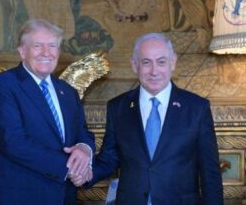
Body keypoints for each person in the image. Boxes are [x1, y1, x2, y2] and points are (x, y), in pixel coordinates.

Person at [73, 33, 224, 204]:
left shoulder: (197, 108)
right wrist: (87, 173)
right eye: (146, 62)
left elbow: (210, 173)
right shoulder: (118, 107)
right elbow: (110, 157)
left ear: (172, 62)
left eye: (161, 62)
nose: (154, 71)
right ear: (134, 65)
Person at [0, 19, 95, 205]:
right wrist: (71, 169)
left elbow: (82, 132)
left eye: (52, 46)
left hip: (63, 197)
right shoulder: (3, 86)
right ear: (22, 51)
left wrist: (84, 149)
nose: (46, 53)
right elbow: (12, 141)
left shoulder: (68, 92)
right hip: (17, 197)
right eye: (37, 46)